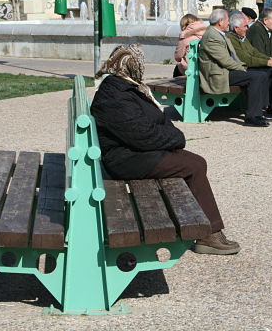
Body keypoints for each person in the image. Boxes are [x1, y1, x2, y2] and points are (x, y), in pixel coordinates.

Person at [90, 44, 240, 255]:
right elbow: (143, 136)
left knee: (194, 162)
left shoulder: (123, 88)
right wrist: (176, 138)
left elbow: (153, 124)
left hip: (133, 153)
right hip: (125, 160)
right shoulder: (116, 96)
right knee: (194, 166)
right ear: (133, 68)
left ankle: (200, 226)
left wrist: (172, 137)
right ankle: (209, 234)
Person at [199, 8, 270, 127]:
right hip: (219, 75)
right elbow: (226, 61)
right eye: (227, 20)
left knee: (261, 73)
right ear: (220, 21)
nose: (228, 23)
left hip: (226, 71)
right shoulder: (212, 36)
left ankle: (258, 112)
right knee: (256, 77)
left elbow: (233, 58)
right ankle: (252, 117)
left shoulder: (218, 34)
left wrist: (243, 67)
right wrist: (243, 68)